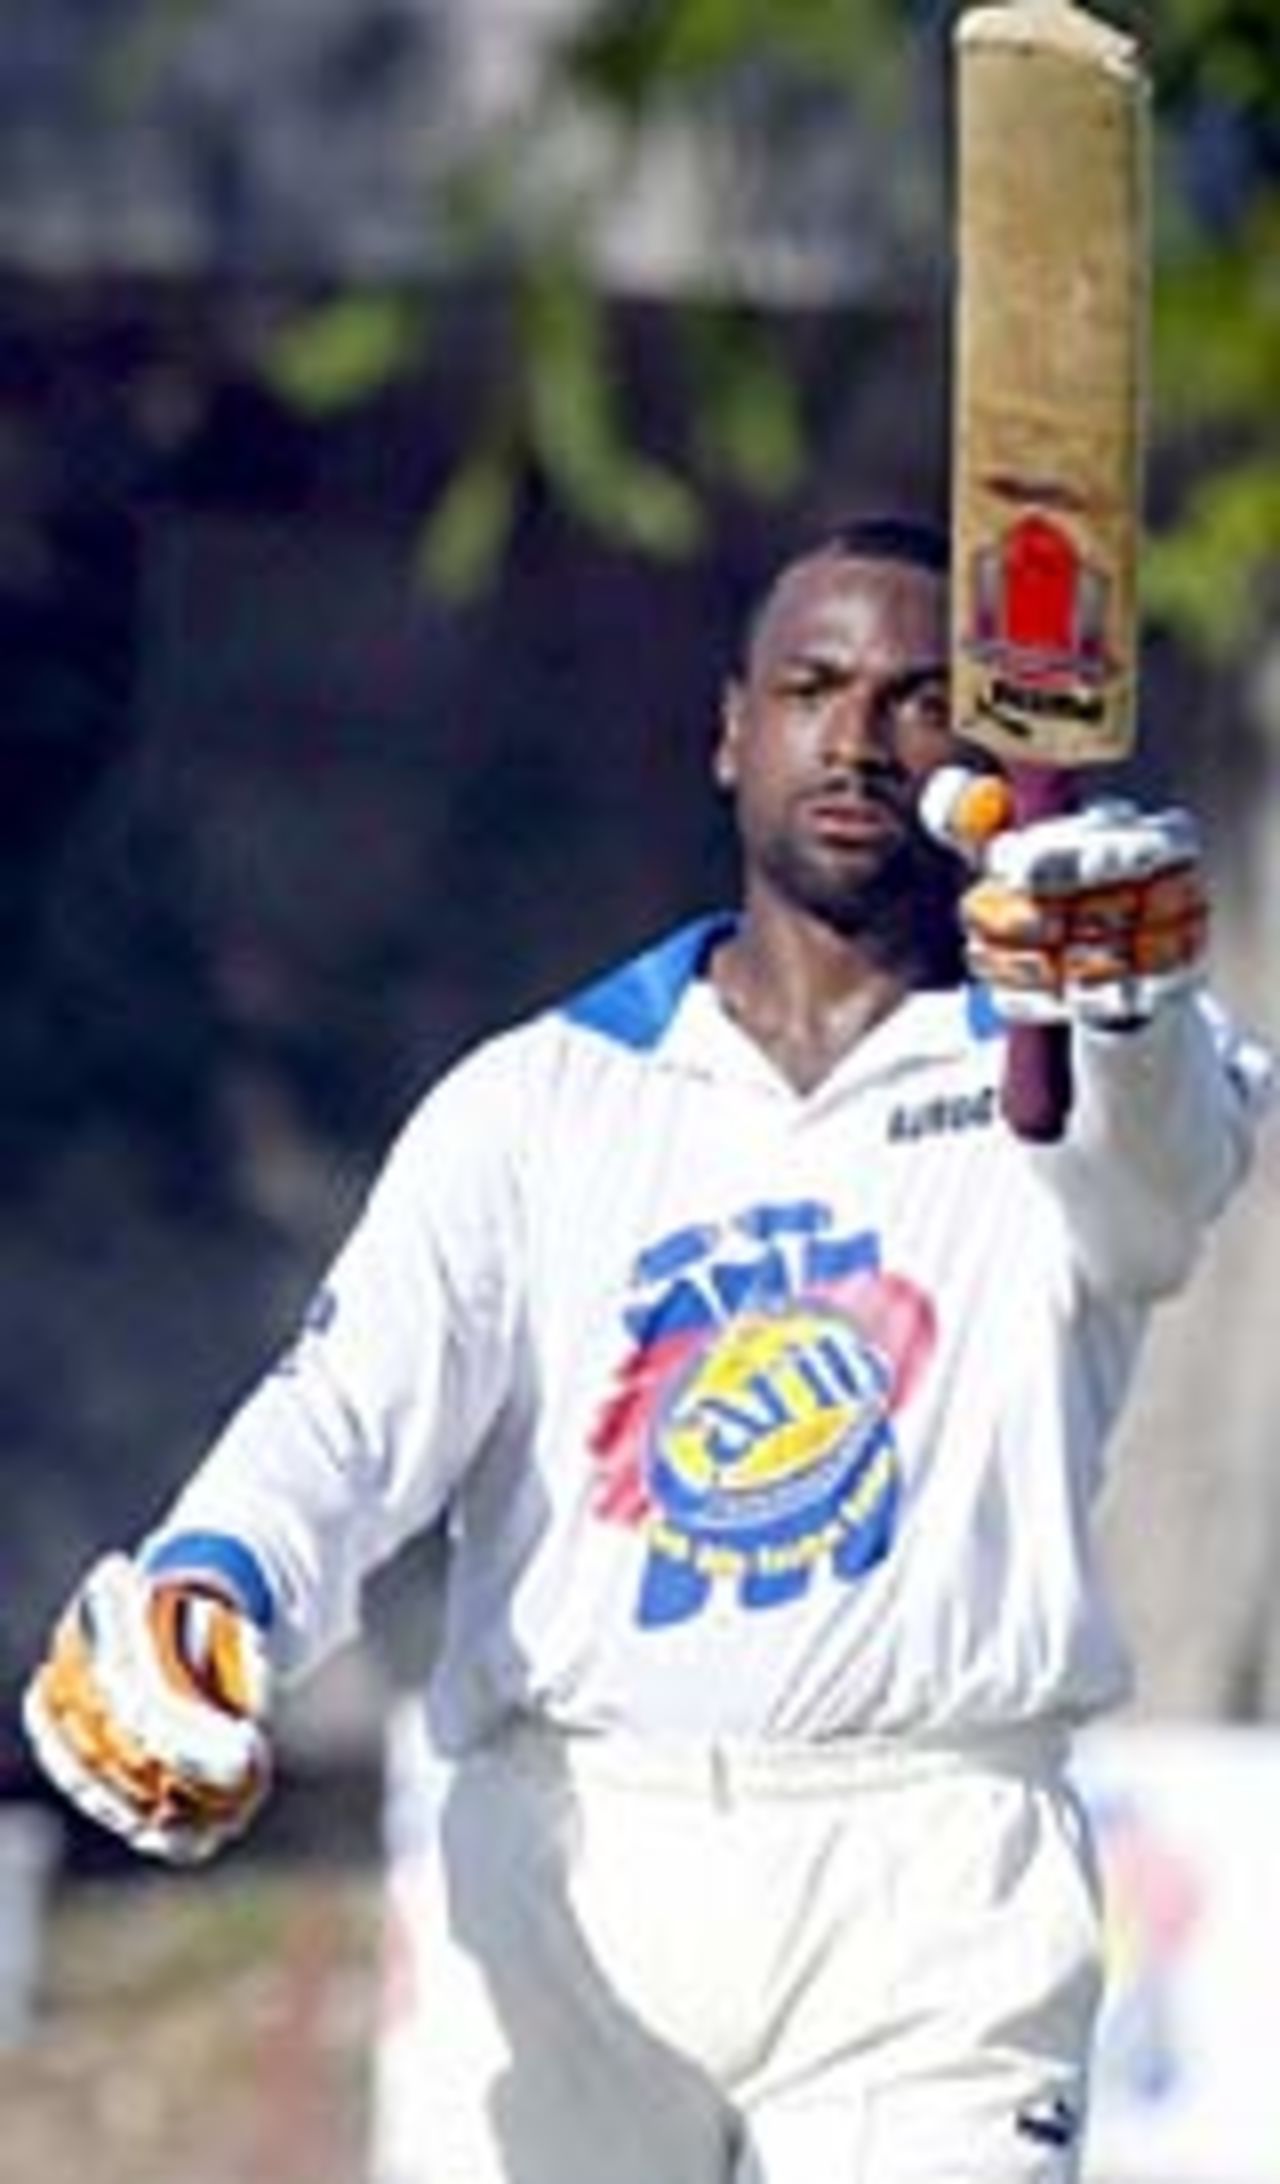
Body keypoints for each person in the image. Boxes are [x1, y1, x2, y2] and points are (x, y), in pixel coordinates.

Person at [23, 516, 1271, 2184]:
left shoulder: (1072, 1084)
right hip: (568, 1858)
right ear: (728, 728)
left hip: (933, 1875)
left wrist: (1115, 1007)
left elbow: (1160, 1182)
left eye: (914, 701)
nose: (853, 736)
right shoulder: (538, 1102)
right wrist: (217, 1586)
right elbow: (350, 1413)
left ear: (984, 761)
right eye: (810, 686)